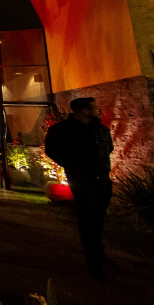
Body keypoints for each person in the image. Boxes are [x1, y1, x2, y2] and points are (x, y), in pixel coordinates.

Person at [45, 97, 115, 279]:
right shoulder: (61, 130)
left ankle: (98, 250)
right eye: (95, 107)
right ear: (84, 110)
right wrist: (71, 165)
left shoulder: (100, 129)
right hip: (81, 179)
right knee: (87, 216)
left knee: (99, 216)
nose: (98, 110)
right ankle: (92, 258)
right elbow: (51, 150)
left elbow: (108, 149)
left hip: (102, 178)